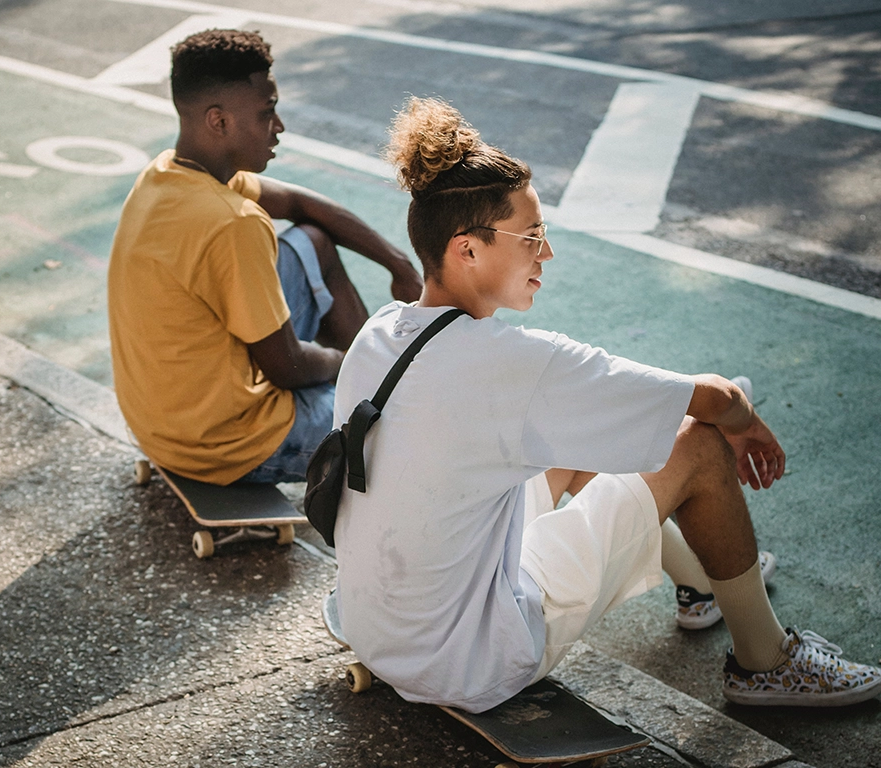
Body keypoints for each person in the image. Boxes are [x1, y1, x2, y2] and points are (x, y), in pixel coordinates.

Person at [331, 96, 881, 713]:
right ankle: (765, 662)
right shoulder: (514, 366)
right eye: (532, 236)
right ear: (468, 249)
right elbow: (714, 399)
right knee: (697, 444)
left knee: (580, 435)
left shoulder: (379, 333)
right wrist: (743, 422)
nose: (547, 253)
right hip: (469, 655)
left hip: (379, 627)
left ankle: (699, 584)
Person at [107, 30, 421, 485]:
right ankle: (376, 388)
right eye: (267, 111)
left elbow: (301, 206)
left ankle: (376, 382)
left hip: (161, 425)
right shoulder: (232, 222)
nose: (279, 126)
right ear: (219, 122)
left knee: (313, 240)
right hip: (227, 446)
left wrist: (398, 264)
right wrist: (348, 361)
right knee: (403, 427)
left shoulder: (166, 174)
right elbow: (288, 368)